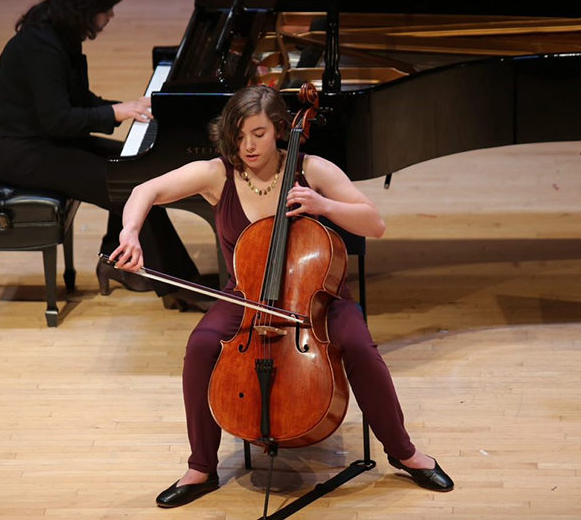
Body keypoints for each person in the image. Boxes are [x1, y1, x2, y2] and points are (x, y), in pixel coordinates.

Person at [110, 85, 455, 507]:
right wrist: (130, 233)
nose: (247, 145)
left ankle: (405, 453)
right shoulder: (219, 174)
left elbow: (374, 223)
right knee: (200, 345)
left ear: (278, 129)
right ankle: (201, 466)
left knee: (360, 346)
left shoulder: (314, 170)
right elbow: (144, 191)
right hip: (246, 297)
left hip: (319, 299)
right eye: (238, 135)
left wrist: (323, 205)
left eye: (257, 133)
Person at [0, 0, 207, 310]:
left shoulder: (60, 31)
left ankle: (117, 258)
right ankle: (181, 285)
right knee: (132, 183)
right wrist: (115, 113)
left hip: (49, 142)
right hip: (26, 155)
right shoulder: (40, 47)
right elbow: (58, 119)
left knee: (131, 165)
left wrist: (123, 107)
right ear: (84, 6)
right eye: (106, 8)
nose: (110, 16)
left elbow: (75, 100)